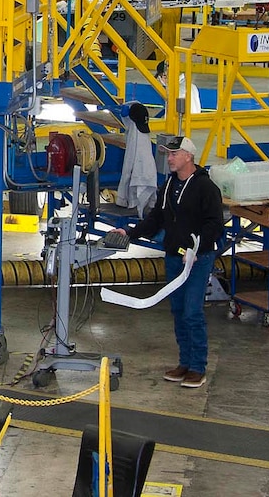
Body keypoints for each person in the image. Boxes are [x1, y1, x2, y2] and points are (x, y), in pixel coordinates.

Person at [114, 136, 224, 389]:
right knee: (177, 311)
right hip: (174, 257)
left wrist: (197, 248)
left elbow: (215, 224)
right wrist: (130, 233)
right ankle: (185, 362)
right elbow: (156, 218)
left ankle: (198, 367)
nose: (169, 158)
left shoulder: (206, 188)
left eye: (174, 154)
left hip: (197, 259)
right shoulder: (169, 186)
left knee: (192, 311)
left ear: (188, 156)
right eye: (168, 154)